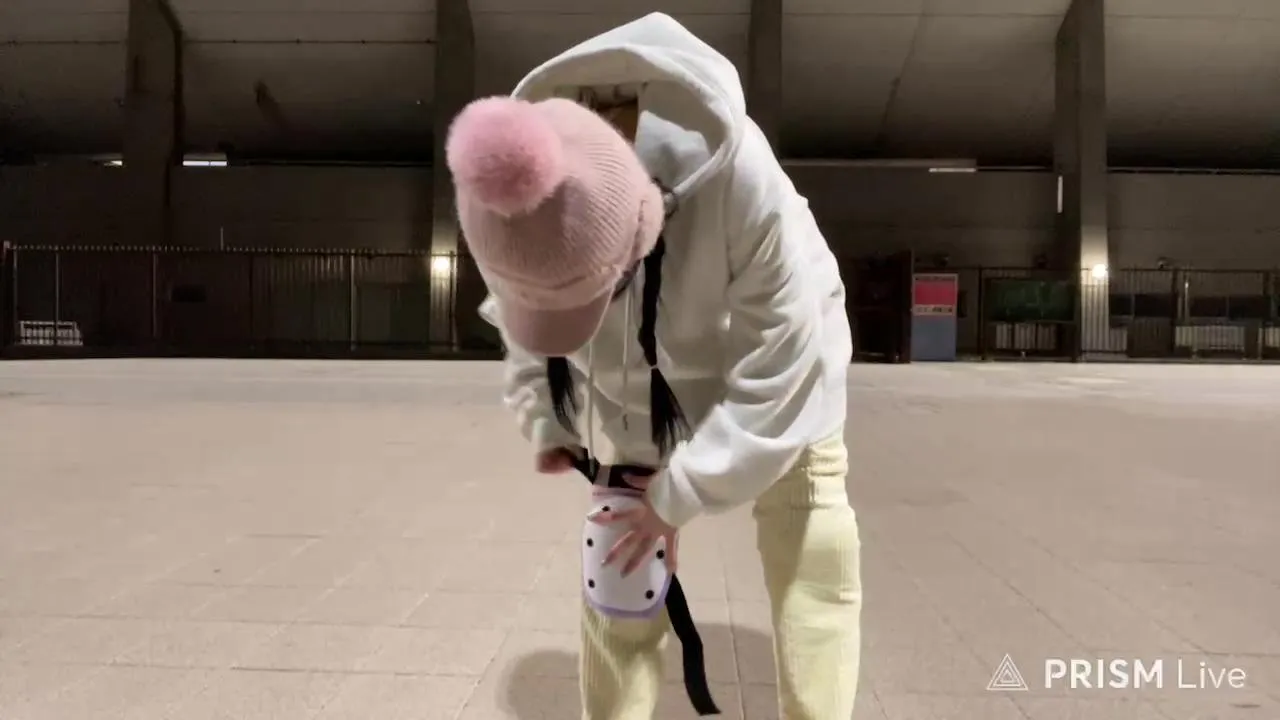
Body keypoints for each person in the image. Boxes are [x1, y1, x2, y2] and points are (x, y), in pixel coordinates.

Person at [445, 12, 860, 720]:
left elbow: (780, 367)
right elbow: (523, 313)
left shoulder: (742, 183)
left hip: (774, 358)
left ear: (642, 231)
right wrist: (547, 415)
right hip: (636, 384)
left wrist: (682, 491)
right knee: (618, 565)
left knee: (813, 550)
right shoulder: (515, 187)